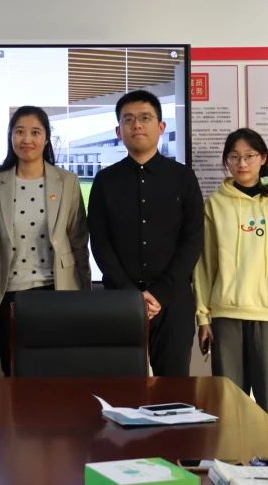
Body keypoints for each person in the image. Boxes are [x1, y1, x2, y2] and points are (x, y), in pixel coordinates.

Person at [194, 128, 268, 426]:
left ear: (263, 158)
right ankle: (232, 457)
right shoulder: (216, 203)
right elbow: (205, 264)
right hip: (226, 316)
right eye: (234, 157)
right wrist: (203, 316)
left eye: (249, 156)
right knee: (228, 407)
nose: (242, 163)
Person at [87, 89, 204, 377]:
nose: (136, 125)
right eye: (128, 120)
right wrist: (130, 295)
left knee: (173, 386)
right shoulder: (105, 181)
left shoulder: (183, 177)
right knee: (121, 386)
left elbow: (192, 240)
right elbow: (100, 243)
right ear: (119, 131)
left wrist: (160, 292)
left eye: (145, 118)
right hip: (120, 301)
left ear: (161, 126)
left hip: (173, 300)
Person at [0, 106, 91, 375]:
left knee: (56, 376)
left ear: (46, 137)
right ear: (10, 136)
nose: (27, 139)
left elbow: (78, 240)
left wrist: (84, 296)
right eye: (19, 132)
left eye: (35, 132)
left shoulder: (67, 181)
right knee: (13, 375)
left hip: (57, 291)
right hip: (9, 295)